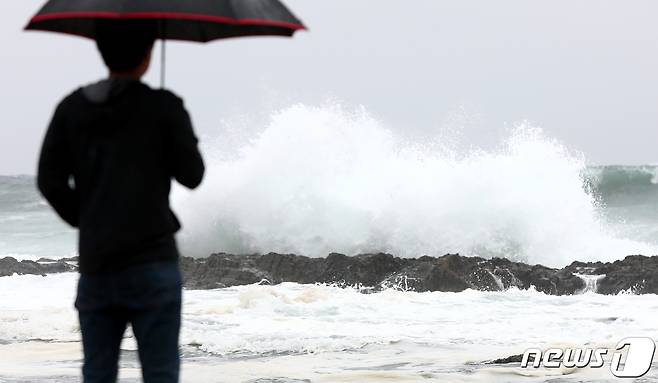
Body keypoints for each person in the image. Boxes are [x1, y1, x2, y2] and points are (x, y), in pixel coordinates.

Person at [37, 19, 204, 383]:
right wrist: (178, 131)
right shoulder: (164, 107)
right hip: (153, 262)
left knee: (98, 373)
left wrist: (86, 219)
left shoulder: (72, 108)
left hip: (99, 263)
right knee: (160, 373)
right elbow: (193, 175)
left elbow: (48, 180)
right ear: (148, 53)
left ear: (101, 50)